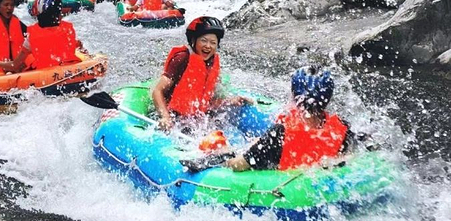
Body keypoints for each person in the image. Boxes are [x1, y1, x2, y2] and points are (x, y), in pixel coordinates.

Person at [225, 66, 355, 171]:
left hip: (287, 196)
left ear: (294, 96)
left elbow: (239, 165)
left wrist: (225, 159)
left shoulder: (279, 134)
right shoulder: (342, 128)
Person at [152, 17, 253, 132]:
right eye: (204, 41)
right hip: (175, 117)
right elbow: (157, 91)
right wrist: (165, 117)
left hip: (197, 117)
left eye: (213, 43)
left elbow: (207, 101)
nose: (208, 46)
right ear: (194, 40)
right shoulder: (182, 58)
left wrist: (231, 101)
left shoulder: (212, 63)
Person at [0, 0, 84, 73]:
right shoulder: (68, 29)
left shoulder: (32, 36)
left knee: (28, 61)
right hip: (72, 72)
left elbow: (15, 65)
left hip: (45, 77)